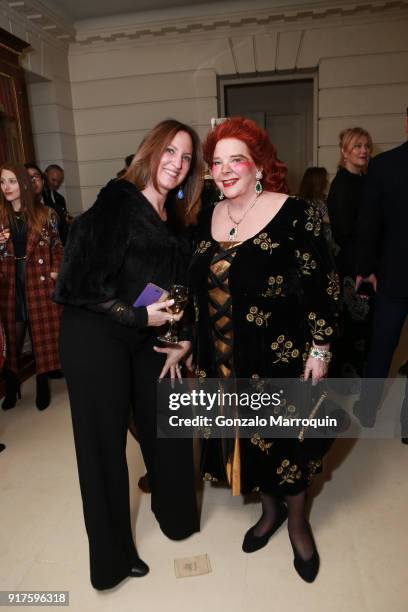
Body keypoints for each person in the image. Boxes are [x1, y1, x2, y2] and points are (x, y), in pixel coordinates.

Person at [54, 119, 203, 590]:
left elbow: (179, 289)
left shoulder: (176, 218)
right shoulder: (116, 201)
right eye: (170, 152)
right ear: (150, 152)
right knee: (103, 449)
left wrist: (185, 337)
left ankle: (175, 516)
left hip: (146, 333)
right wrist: (140, 318)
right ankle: (112, 560)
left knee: (170, 415)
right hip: (94, 334)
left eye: (186, 157)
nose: (176, 164)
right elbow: (75, 284)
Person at [189, 117, 339, 582]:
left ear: (258, 167)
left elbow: (324, 285)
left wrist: (320, 348)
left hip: (281, 356)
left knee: (287, 444)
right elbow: (189, 287)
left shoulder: (297, 213)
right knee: (251, 443)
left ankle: (297, 525)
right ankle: (269, 514)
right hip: (224, 360)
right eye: (217, 161)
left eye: (237, 159)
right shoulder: (203, 217)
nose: (226, 168)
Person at [354, 109, 408, 436]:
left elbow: (368, 226)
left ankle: (368, 410)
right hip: (393, 274)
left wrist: (365, 270)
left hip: (393, 275)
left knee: (381, 346)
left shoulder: (384, 165)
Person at [0, 164, 63, 410]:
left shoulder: (45, 214)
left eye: (12, 181)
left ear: (24, 184)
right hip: (8, 281)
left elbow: (57, 247)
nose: (6, 187)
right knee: (10, 338)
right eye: (3, 182)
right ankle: (12, 384)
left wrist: (55, 270)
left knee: (41, 336)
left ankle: (42, 382)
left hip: (37, 279)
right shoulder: (0, 215)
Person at [326, 127, 373, 379]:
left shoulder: (363, 180)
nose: (364, 151)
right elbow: (346, 232)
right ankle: (346, 383)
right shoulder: (343, 184)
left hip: (363, 263)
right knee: (354, 329)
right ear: (344, 151)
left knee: (362, 329)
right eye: (357, 146)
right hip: (352, 266)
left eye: (366, 146)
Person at [25, 163, 70, 246]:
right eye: (29, 177)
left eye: (36, 176)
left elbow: (64, 237)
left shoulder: (55, 207)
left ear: (42, 180)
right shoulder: (16, 210)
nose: (33, 180)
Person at [298, 166, 335, 251]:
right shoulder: (310, 202)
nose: (327, 182)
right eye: (324, 179)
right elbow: (326, 218)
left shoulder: (323, 198)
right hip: (319, 245)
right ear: (318, 182)